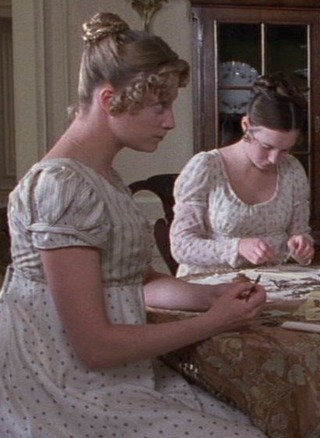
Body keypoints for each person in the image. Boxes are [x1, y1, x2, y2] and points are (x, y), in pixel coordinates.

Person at [0, 12, 267, 437]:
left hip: (118, 376)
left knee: (249, 415)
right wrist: (213, 321)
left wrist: (212, 295)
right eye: (160, 106)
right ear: (110, 101)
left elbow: (135, 282)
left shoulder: (101, 178)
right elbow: (94, 347)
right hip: (66, 388)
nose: (170, 122)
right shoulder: (61, 186)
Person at [170, 73, 314, 277]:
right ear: (246, 125)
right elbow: (181, 246)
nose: (274, 159)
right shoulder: (207, 167)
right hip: (210, 287)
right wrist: (236, 248)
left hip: (273, 284)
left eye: (285, 150)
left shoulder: (292, 170)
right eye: (266, 147)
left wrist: (302, 245)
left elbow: (299, 234)